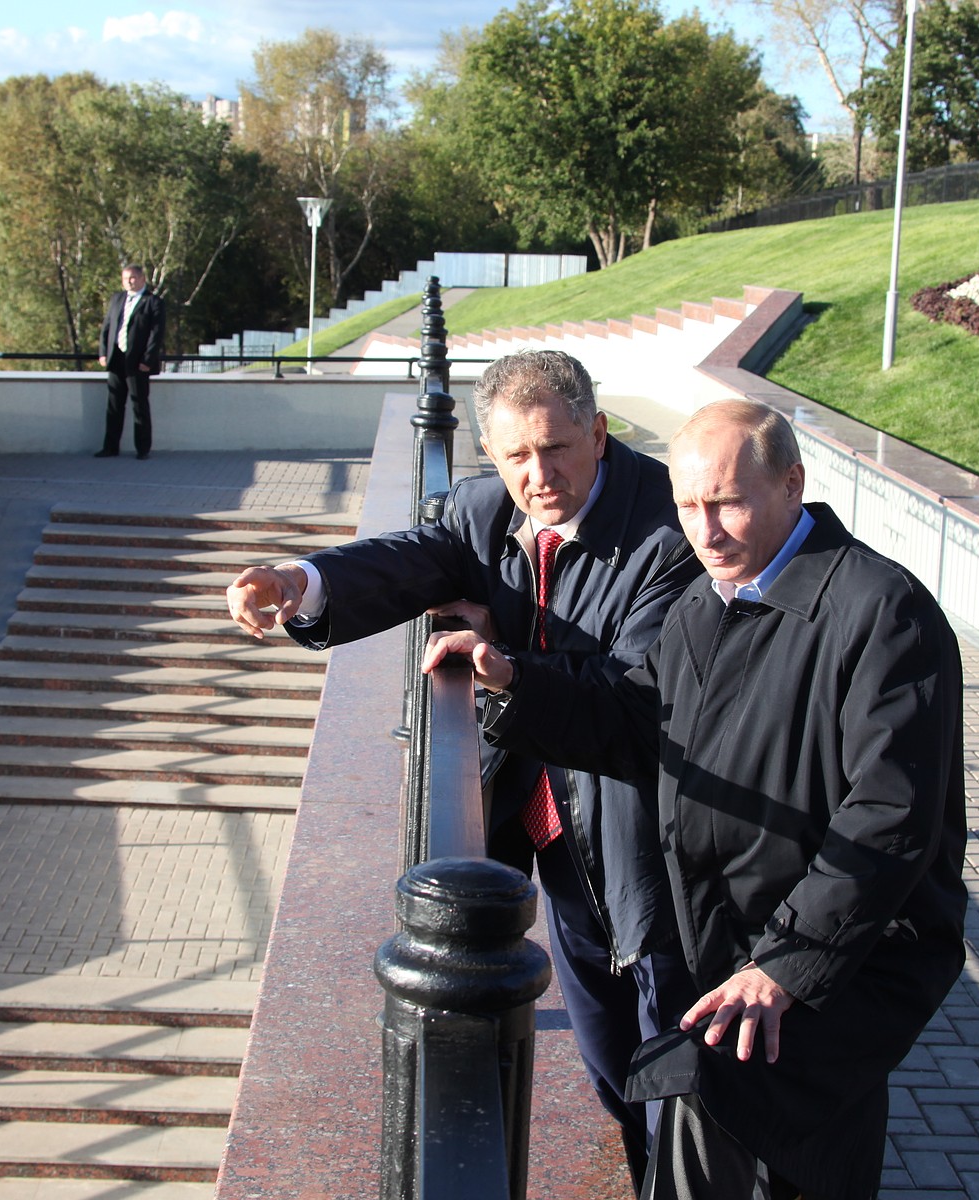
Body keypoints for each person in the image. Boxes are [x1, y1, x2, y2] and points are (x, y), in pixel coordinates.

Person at [424, 397, 969, 1200]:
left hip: (839, 962)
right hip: (735, 945)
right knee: (781, 1149)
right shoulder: (706, 603)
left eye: (727, 503)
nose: (705, 531)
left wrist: (784, 967)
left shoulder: (884, 614)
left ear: (793, 484)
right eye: (687, 506)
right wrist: (510, 679)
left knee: (716, 1108)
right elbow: (631, 723)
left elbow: (889, 819)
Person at [225, 350, 703, 1189]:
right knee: (609, 1063)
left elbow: (632, 695)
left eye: (556, 448)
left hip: (639, 836)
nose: (538, 474)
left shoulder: (669, 529)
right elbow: (408, 559)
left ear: (598, 431)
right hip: (542, 825)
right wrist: (298, 579)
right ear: (489, 452)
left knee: (671, 1062)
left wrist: (509, 663)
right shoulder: (484, 510)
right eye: (516, 456)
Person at [96, 263, 165, 460]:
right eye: (126, 278)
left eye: (133, 278)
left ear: (143, 279)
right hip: (116, 359)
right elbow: (107, 327)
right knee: (114, 405)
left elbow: (156, 334)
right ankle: (110, 447)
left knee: (139, 405)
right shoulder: (117, 299)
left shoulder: (153, 302)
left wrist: (147, 360)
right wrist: (103, 353)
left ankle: (142, 449)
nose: (129, 282)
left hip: (138, 363)